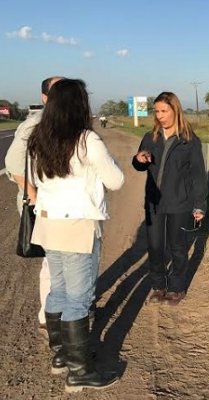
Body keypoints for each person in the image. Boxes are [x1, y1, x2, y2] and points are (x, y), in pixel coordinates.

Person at [28, 78, 124, 392]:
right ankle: (80, 369)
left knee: (58, 289)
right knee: (79, 299)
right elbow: (116, 181)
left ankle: (60, 356)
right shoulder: (86, 141)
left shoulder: (38, 138)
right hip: (77, 226)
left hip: (48, 224)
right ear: (79, 105)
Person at [132, 91, 208, 306]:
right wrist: (139, 159)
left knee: (177, 247)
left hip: (180, 203)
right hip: (154, 203)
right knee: (155, 246)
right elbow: (138, 165)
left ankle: (176, 287)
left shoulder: (189, 141)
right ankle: (158, 286)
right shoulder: (150, 137)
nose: (159, 115)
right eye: (156, 111)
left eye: (164, 111)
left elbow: (198, 176)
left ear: (176, 110)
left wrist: (199, 205)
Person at [4, 76, 63, 338]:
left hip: (63, 204)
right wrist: (33, 195)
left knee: (62, 259)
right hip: (43, 204)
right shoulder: (34, 124)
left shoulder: (65, 123)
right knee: (54, 261)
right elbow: (13, 162)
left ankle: (61, 309)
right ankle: (49, 315)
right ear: (45, 98)